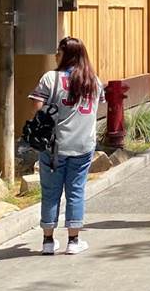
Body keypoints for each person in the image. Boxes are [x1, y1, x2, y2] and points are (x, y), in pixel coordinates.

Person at [28, 37, 103, 255]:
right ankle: (73, 240)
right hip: (83, 144)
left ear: (66, 55)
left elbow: (37, 108)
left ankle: (48, 241)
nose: (55, 56)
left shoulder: (50, 78)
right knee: (76, 191)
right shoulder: (94, 81)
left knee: (50, 192)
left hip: (53, 146)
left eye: (58, 52)